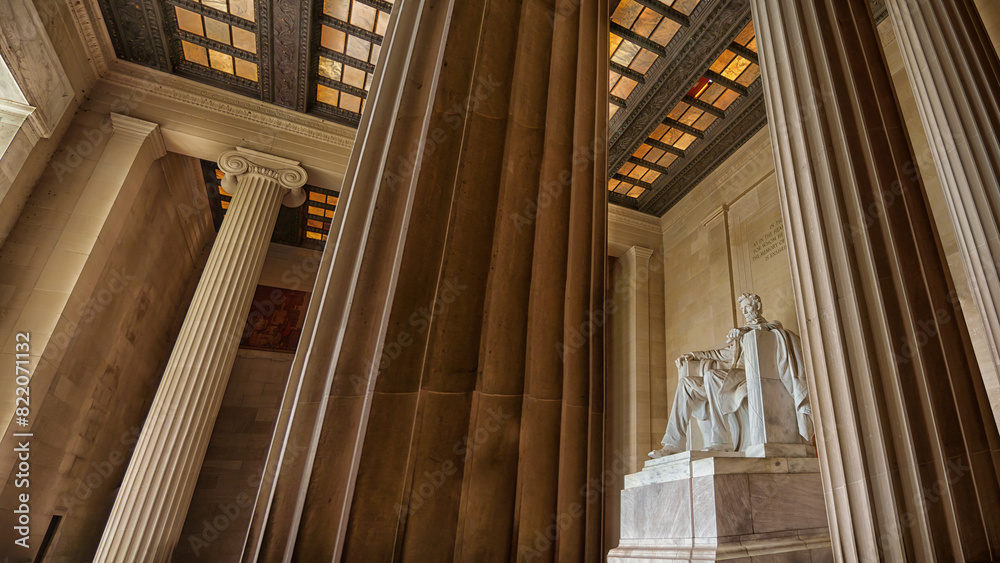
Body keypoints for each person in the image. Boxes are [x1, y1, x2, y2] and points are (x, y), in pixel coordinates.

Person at [649, 293, 813, 458]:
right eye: (742, 309)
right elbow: (721, 354)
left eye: (747, 307)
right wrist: (693, 355)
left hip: (749, 374)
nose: (745, 311)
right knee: (685, 383)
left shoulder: (770, 327)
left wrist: (744, 330)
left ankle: (721, 441)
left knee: (711, 376)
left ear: (757, 307)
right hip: (730, 377)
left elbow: (770, 328)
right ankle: (673, 443)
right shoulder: (740, 336)